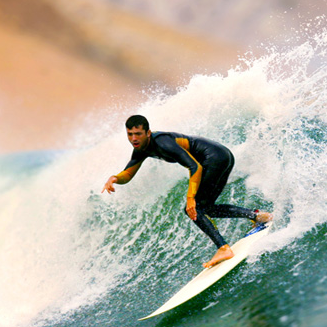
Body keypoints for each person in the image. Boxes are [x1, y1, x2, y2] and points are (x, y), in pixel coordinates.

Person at [102, 115, 272, 268]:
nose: (133, 138)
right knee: (206, 208)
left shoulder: (162, 142)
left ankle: (223, 248)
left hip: (213, 158)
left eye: (138, 134)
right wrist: (114, 178)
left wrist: (191, 198)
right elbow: (128, 174)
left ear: (148, 133)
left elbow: (194, 167)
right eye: (130, 134)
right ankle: (257, 216)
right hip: (222, 155)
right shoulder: (140, 149)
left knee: (194, 208)